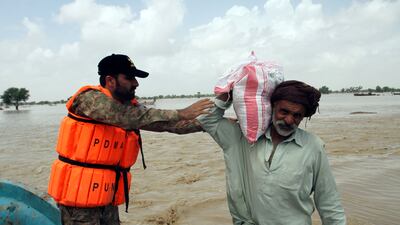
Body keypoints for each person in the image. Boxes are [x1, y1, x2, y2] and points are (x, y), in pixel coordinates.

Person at [47, 53, 214, 225]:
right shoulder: (89, 99)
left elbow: (168, 125)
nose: (136, 83)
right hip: (78, 200)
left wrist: (210, 124)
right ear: (110, 80)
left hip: (106, 196)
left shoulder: (130, 108)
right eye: (129, 78)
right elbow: (124, 115)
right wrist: (180, 112)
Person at [198, 80, 346, 225]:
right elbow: (208, 119)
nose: (289, 120)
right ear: (272, 106)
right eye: (284, 112)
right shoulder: (241, 137)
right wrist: (229, 92)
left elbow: (329, 202)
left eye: (297, 115)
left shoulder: (313, 146)